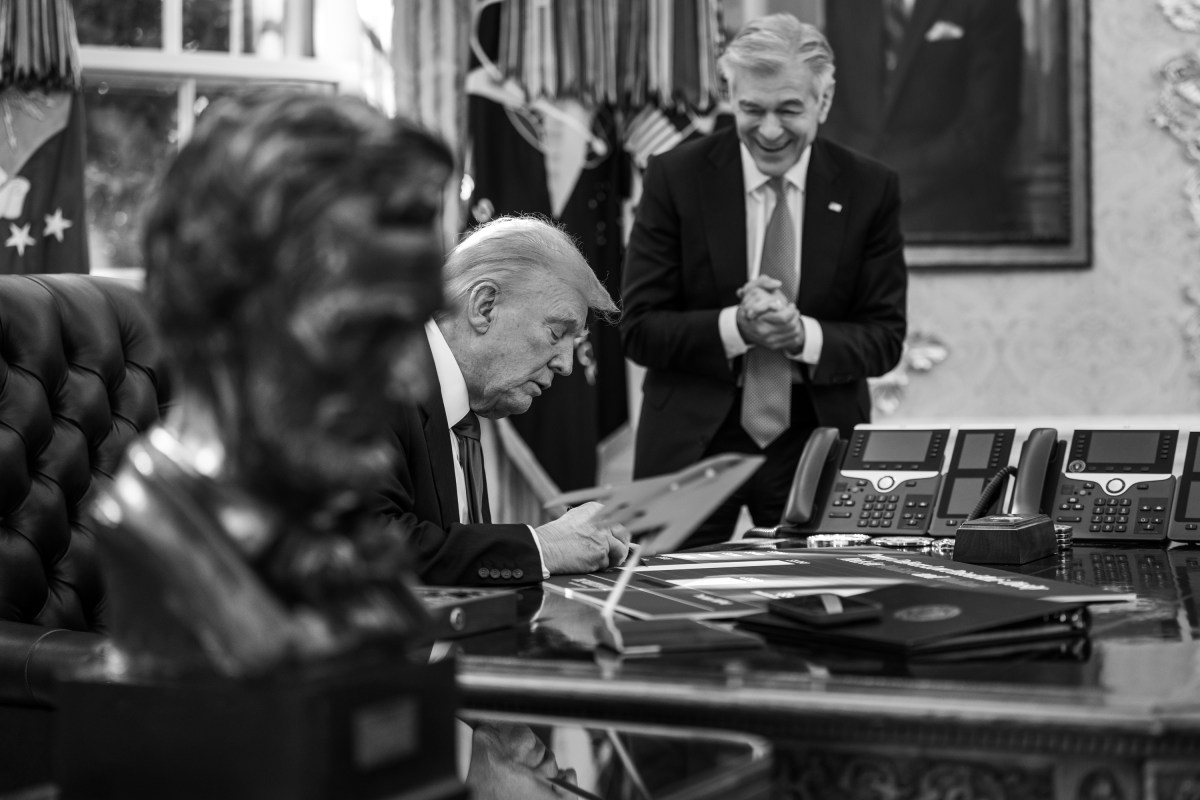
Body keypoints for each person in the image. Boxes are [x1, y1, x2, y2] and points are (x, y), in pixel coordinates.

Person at [89, 90, 457, 677]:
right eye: (364, 333)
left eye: (415, 327)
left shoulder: (344, 536)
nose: (414, 383)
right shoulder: (164, 543)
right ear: (225, 325)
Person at [620, 14, 908, 547]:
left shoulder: (871, 189)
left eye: (790, 109)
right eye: (752, 109)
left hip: (815, 441)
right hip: (692, 443)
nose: (770, 130)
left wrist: (802, 337)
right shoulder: (673, 178)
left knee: (823, 609)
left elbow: (885, 338)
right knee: (674, 612)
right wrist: (738, 328)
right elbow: (637, 328)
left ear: (823, 102)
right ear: (730, 94)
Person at [379, 215, 631, 587]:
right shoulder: (375, 380)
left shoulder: (459, 405)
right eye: (556, 332)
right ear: (484, 306)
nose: (566, 365)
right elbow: (365, 545)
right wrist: (543, 548)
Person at [821, 0, 1023, 239]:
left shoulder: (988, 5)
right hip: (855, 215)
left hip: (949, 217)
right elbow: (829, 109)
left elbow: (985, 129)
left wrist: (888, 182)